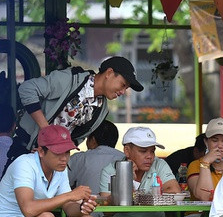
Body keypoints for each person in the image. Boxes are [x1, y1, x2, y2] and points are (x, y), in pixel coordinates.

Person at [9, 56, 143, 165]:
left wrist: (60, 154)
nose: (123, 91)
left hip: (52, 161)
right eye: (123, 85)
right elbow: (27, 89)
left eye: (126, 88)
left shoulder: (102, 110)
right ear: (109, 73)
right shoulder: (71, 80)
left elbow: (76, 139)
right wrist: (46, 130)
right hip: (25, 148)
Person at [68, 120, 125, 194]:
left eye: (88, 138)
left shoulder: (79, 158)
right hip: (119, 204)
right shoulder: (125, 159)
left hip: (86, 204)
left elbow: (63, 185)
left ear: (93, 140)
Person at [186, 118, 223, 201]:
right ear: (206, 142)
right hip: (200, 214)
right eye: (215, 140)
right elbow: (204, 197)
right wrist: (205, 163)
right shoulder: (195, 165)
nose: (220, 145)